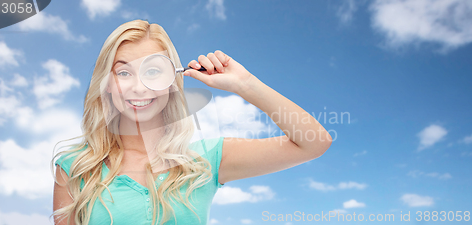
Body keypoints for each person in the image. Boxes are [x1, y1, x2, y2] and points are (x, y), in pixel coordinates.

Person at [51, 19, 332, 225]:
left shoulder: (205, 160)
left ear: (173, 81)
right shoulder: (75, 167)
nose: (139, 88)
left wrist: (245, 84)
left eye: (153, 71)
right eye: (124, 73)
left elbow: (314, 143)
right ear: (107, 84)